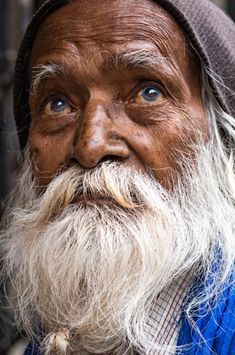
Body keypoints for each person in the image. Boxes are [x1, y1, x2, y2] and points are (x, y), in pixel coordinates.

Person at [1, 0, 235, 354]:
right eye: (58, 104)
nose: (90, 146)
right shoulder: (51, 334)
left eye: (147, 93)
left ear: (223, 138)